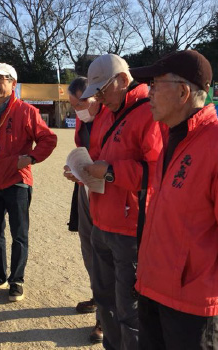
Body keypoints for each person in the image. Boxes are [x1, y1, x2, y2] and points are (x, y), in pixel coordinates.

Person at [130, 50, 218, 349]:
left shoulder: (213, 143)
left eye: (155, 84)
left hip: (193, 306)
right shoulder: (169, 137)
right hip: (152, 287)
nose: (148, 92)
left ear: (183, 91)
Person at [81, 54, 163, 350]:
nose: (99, 97)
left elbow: (157, 172)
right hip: (101, 219)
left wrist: (112, 172)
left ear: (124, 80)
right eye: (97, 92)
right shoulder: (104, 111)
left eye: (103, 89)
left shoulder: (150, 113)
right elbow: (96, 154)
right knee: (104, 301)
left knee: (129, 310)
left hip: (131, 228)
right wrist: (83, 170)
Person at [0, 63, 57, 302]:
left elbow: (48, 139)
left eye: (1, 79)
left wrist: (30, 158)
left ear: (13, 83)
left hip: (17, 181)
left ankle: (16, 279)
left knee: (19, 234)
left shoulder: (27, 111)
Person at [64, 77, 104, 343]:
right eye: (72, 105)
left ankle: (104, 319)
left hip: (108, 192)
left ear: (94, 97)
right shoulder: (84, 118)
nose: (76, 109)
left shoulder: (111, 117)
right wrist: (76, 171)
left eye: (80, 103)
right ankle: (98, 296)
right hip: (86, 188)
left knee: (106, 252)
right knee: (89, 248)